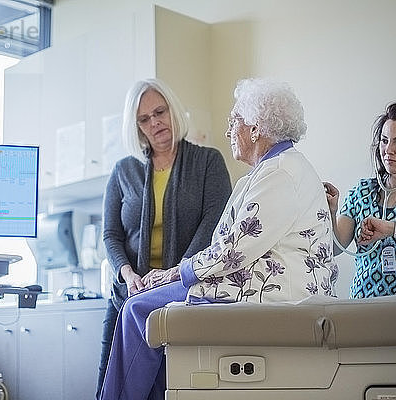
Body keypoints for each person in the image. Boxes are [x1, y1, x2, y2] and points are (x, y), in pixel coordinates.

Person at [99, 78, 338, 400]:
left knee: (138, 309)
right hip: (256, 282)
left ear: (255, 128)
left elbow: (234, 249)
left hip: (265, 292)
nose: (228, 132)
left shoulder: (278, 173)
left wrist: (174, 272)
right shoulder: (274, 169)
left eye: (234, 121)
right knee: (140, 312)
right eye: (144, 118)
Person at [96, 78, 232, 398]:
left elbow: (212, 227)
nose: (155, 122)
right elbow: (111, 233)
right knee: (108, 386)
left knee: (167, 388)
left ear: (173, 110)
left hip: (181, 293)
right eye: (144, 119)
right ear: (137, 126)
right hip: (128, 295)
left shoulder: (208, 162)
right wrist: (128, 274)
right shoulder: (123, 171)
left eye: (160, 111)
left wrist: (171, 275)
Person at [323, 102, 396, 298]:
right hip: (364, 306)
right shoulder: (362, 192)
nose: (388, 150)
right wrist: (332, 212)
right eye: (384, 141)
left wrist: (393, 228)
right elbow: (336, 248)